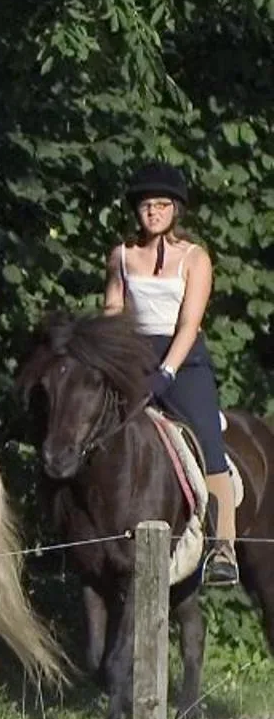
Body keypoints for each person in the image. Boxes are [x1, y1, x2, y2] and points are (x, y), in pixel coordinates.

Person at [103, 161, 239, 587]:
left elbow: (188, 324)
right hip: (133, 354)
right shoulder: (121, 256)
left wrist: (165, 372)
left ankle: (222, 548)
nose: (153, 212)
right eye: (146, 205)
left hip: (183, 362)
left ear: (175, 210)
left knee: (207, 439)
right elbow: (112, 310)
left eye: (162, 204)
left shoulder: (194, 259)